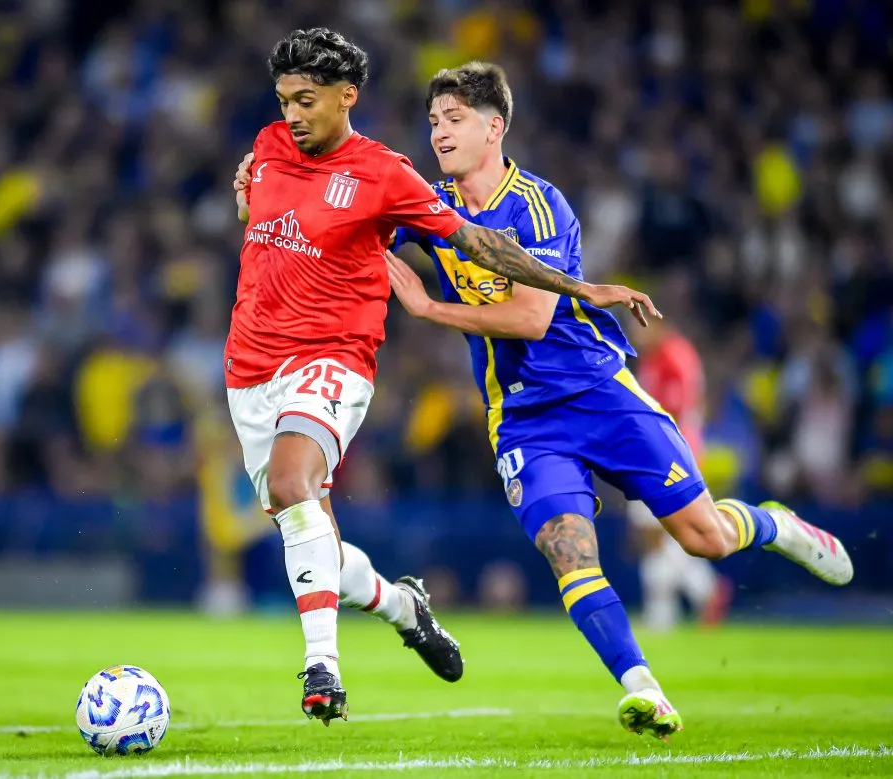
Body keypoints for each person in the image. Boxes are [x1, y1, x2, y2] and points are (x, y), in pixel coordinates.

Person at [382, 61, 854, 740]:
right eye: (432, 121)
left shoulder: (540, 206)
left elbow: (530, 317)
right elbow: (360, 229)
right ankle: (645, 690)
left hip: (599, 393)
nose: (439, 133)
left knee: (705, 539)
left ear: (495, 127)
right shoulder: (431, 207)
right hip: (522, 417)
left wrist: (428, 307)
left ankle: (777, 525)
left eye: (454, 119)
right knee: (567, 547)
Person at [228, 28, 661, 726]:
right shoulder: (271, 148)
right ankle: (405, 606)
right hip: (250, 369)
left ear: (347, 96)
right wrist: (246, 206)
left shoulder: (386, 174)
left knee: (290, 485)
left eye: (305, 100)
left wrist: (579, 289)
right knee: (316, 546)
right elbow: (265, 223)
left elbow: (481, 242)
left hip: (335, 357)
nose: (292, 115)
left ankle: (322, 669)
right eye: (283, 101)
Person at [625, 319, 733, 631]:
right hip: (657, 449)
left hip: (669, 452)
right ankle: (676, 605)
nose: (636, 336)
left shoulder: (675, 357)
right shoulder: (655, 357)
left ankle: (696, 594)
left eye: (639, 329)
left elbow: (677, 410)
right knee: (658, 533)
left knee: (656, 532)